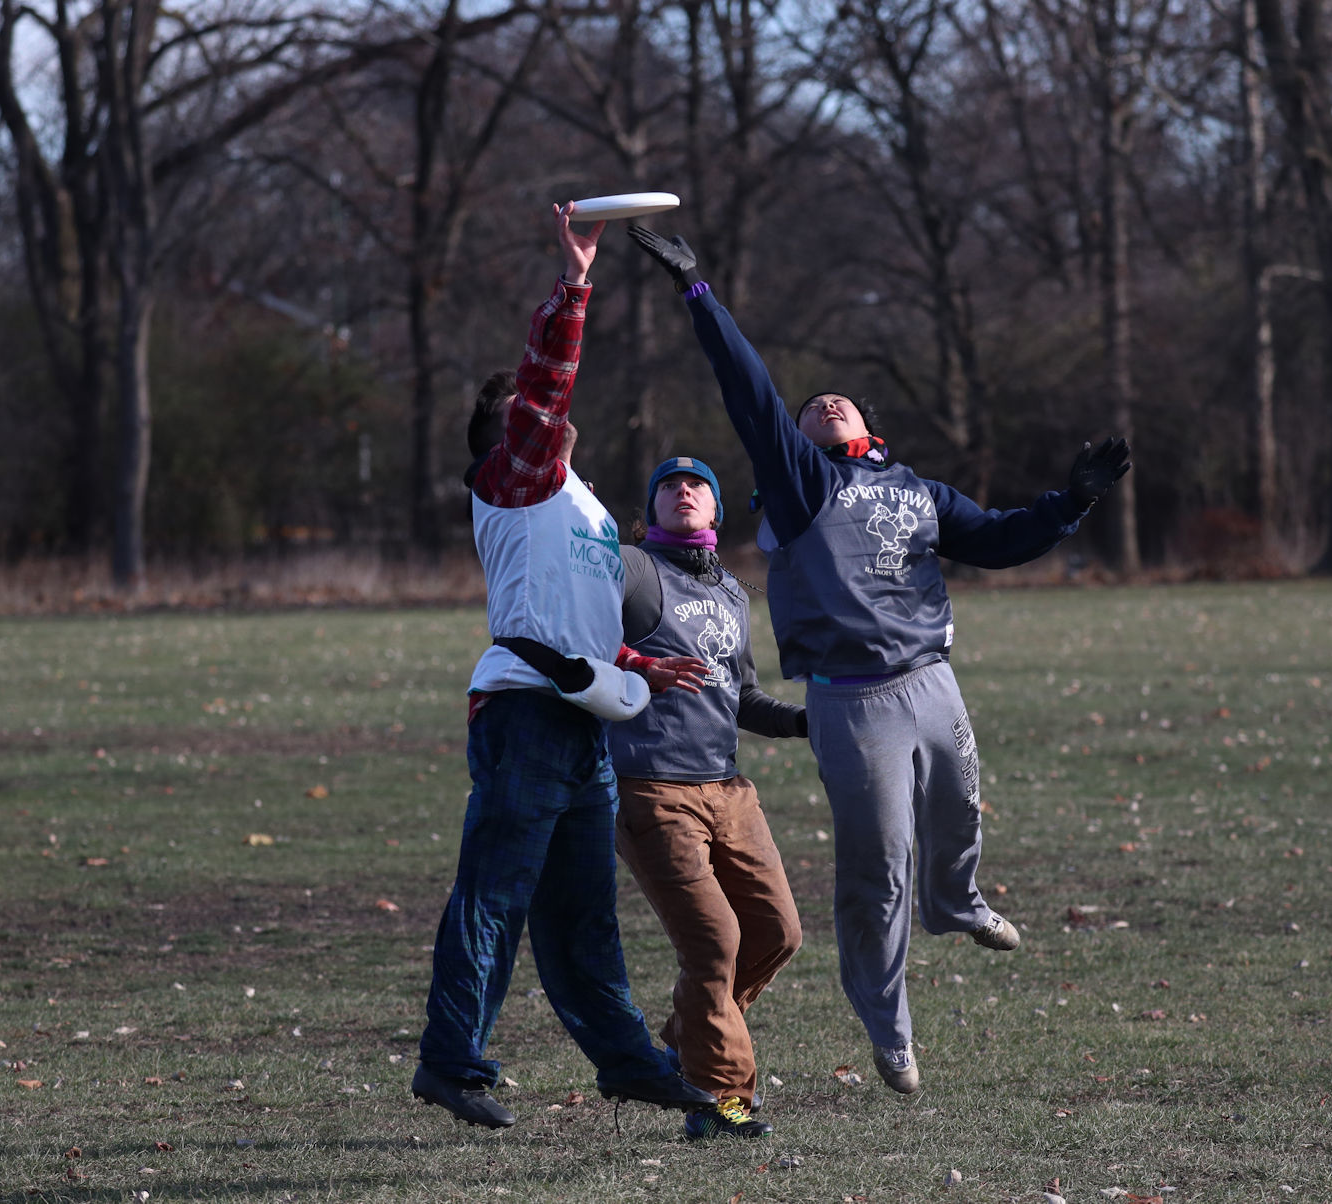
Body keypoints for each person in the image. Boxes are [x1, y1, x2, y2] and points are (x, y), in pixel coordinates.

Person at [629, 223, 1131, 1096]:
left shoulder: (921, 493)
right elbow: (750, 393)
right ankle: (889, 1027)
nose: (825, 401)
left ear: (871, 426)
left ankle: (961, 903)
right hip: (852, 700)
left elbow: (1004, 540)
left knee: (963, 813)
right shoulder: (802, 483)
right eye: (811, 404)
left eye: (842, 400)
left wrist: (1071, 502)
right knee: (878, 870)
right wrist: (698, 294)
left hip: (933, 682)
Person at [412, 205, 717, 1129]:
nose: (548, 419)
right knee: (494, 899)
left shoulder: (577, 501)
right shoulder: (512, 475)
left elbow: (567, 612)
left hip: (582, 718)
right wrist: (576, 281)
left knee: (583, 920)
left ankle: (627, 1063)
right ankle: (451, 1061)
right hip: (526, 717)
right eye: (529, 417)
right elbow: (546, 388)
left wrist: (635, 664)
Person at [610, 456, 808, 1141]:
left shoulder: (730, 590)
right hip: (653, 790)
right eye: (668, 484)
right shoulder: (634, 569)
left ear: (716, 510)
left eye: (697, 485)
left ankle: (678, 1046)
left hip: (728, 788)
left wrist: (803, 721)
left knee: (776, 934)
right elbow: (576, 631)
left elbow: (740, 695)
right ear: (650, 509)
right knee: (716, 943)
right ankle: (720, 1100)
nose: (683, 490)